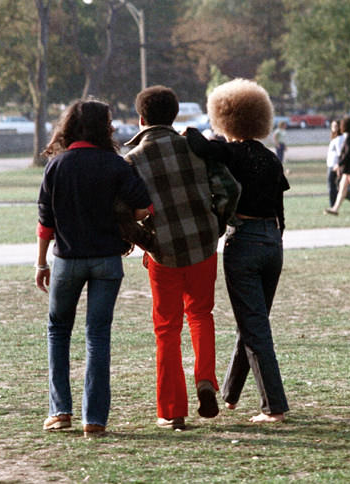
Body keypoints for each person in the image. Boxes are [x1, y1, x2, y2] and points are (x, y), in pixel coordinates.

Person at [36, 100, 152, 438]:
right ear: (104, 127)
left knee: (58, 331)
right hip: (106, 261)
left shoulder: (56, 165)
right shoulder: (115, 165)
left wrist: (41, 262)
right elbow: (145, 208)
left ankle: (59, 411)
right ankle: (95, 419)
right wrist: (121, 218)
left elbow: (45, 222)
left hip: (67, 260)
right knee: (97, 335)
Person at [186, 78, 291, 423]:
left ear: (224, 117)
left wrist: (203, 132)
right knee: (253, 322)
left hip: (243, 241)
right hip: (273, 242)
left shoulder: (228, 152)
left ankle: (273, 406)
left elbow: (195, 143)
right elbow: (280, 206)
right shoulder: (272, 158)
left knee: (255, 326)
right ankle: (230, 394)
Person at [124, 86, 223, 431]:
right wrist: (217, 224)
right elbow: (228, 189)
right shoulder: (195, 148)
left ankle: (172, 410)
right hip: (202, 247)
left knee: (167, 329)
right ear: (175, 114)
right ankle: (206, 380)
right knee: (201, 314)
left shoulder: (133, 160)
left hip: (163, 253)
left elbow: (122, 215)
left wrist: (146, 241)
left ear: (141, 119)